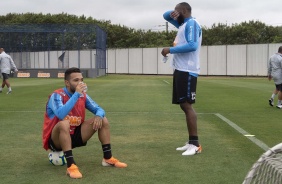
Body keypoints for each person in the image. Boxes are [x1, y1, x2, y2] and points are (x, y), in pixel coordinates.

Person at [42, 67, 127, 179]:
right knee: (64, 123)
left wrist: (99, 116)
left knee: (103, 119)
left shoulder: (83, 96)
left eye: (81, 80)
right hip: (56, 139)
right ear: (67, 83)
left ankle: (107, 158)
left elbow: (100, 109)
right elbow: (61, 114)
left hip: (76, 135)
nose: (80, 83)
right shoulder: (57, 95)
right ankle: (71, 166)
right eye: (76, 80)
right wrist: (76, 94)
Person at [161, 2, 202, 156]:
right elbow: (165, 16)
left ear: (184, 11)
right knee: (183, 105)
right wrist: (173, 13)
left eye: (177, 12)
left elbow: (192, 46)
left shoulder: (192, 23)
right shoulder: (184, 24)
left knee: (187, 105)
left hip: (188, 69)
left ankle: (195, 144)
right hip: (180, 69)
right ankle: (191, 142)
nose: (174, 15)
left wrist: (169, 49)